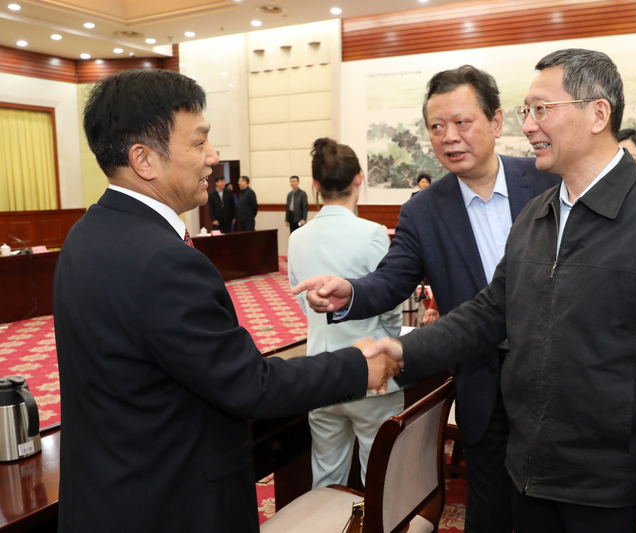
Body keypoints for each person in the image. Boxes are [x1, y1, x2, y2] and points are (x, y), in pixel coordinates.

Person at [359, 49, 636, 533]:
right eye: (526, 111)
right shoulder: (537, 214)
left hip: (610, 491)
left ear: (598, 114)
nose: (528, 126)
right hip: (529, 477)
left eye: (542, 109)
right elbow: (489, 313)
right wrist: (405, 348)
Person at [53, 68, 398, 533]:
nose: (214, 157)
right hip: (171, 505)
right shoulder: (162, 259)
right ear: (143, 159)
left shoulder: (85, 234)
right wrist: (358, 365)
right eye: (199, 142)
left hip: (112, 492)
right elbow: (248, 384)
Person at [293, 64, 560, 533]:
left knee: (553, 507)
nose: (449, 136)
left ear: (496, 122)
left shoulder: (545, 181)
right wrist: (350, 292)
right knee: (489, 506)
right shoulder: (424, 209)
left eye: (462, 122)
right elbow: (392, 279)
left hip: (555, 376)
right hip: (482, 377)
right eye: (436, 127)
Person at [288, 137, 404, 489]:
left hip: (321, 371)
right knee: (380, 478)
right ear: (359, 178)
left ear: (315, 185)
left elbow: (304, 302)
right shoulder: (372, 234)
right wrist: (391, 345)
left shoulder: (298, 237)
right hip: (370, 367)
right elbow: (389, 303)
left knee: (326, 475)